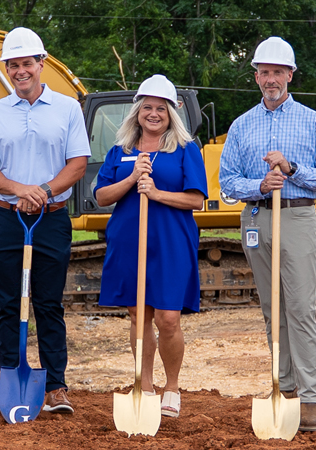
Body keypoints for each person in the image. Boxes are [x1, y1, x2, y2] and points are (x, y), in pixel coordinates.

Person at [218, 36, 316, 432]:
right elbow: (226, 182)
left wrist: (291, 171)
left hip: (297, 217)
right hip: (257, 218)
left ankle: (310, 397)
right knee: (272, 310)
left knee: (300, 308)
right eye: (264, 72)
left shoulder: (312, 121)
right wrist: (258, 186)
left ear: (290, 74)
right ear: (256, 76)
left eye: (278, 72)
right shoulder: (241, 125)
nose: (271, 79)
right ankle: (283, 388)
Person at [0, 27, 89, 414]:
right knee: (8, 302)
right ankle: (9, 376)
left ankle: (56, 386)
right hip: (8, 219)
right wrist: (19, 189)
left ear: (41, 64)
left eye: (27, 63)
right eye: (13, 65)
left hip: (52, 219)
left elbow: (77, 164)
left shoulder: (68, 108)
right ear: (6, 68)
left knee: (48, 303)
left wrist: (41, 189)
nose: (20, 71)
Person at [94, 75, 207, 418]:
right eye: (148, 107)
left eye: (161, 108)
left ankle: (171, 386)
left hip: (171, 240)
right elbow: (100, 197)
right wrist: (131, 179)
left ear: (171, 114)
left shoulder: (186, 151)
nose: (154, 114)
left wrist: (156, 193)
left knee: (168, 318)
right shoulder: (121, 152)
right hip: (129, 240)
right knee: (137, 315)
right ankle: (144, 385)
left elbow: (196, 200)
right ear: (137, 112)